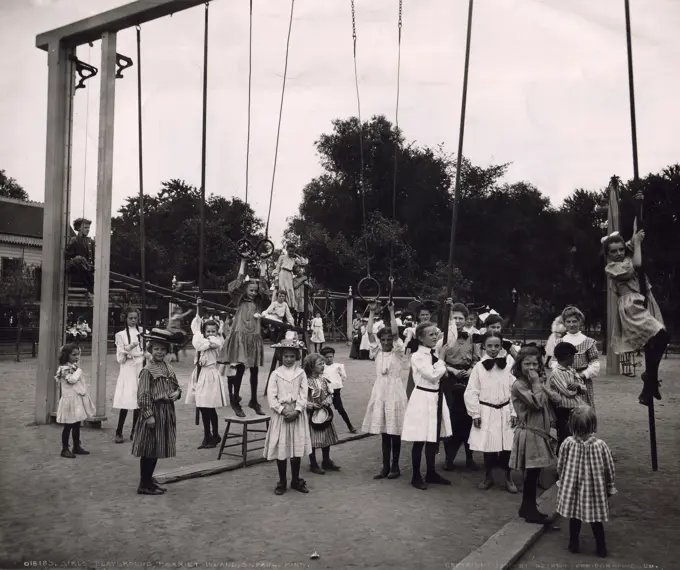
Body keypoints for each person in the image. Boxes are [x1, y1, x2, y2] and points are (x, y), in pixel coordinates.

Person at [603, 227, 668, 406]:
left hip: (643, 301)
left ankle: (649, 385)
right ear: (607, 254)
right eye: (613, 251)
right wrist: (637, 243)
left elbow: (632, 241)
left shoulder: (625, 256)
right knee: (662, 336)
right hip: (631, 306)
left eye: (621, 249)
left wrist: (635, 237)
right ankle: (650, 378)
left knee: (660, 339)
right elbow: (637, 265)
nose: (618, 253)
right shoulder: (613, 267)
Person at [557, 405, 616, 558]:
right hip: (594, 491)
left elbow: (561, 464)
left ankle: (573, 544)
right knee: (596, 520)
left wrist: (562, 481)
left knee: (574, 517)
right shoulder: (601, 445)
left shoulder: (567, 443)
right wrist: (609, 487)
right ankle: (601, 548)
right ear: (593, 424)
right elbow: (609, 468)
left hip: (574, 489)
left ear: (571, 425)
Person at [401, 321, 453, 490]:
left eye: (435, 334)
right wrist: (442, 359)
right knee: (420, 438)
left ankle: (431, 472)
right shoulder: (417, 356)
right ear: (421, 338)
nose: (434, 337)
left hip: (436, 397)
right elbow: (432, 375)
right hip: (422, 397)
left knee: (433, 436)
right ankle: (416, 476)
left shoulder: (435, 353)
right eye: (430, 334)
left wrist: (450, 315)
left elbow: (450, 334)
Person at [465, 331, 518, 493]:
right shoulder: (479, 368)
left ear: (501, 346)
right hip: (486, 410)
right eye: (490, 346)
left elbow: (514, 390)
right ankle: (488, 476)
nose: (493, 349)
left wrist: (514, 412)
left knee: (507, 446)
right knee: (488, 447)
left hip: (505, 410)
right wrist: (475, 413)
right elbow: (471, 391)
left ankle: (508, 477)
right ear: (484, 346)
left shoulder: (508, 366)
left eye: (496, 346)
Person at [509, 346, 557, 524]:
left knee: (535, 473)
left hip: (539, 432)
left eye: (534, 364)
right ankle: (529, 510)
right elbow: (536, 404)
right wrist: (537, 384)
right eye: (526, 364)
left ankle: (527, 507)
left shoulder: (534, 382)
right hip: (529, 433)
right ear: (519, 364)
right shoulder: (520, 385)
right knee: (531, 473)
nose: (531, 368)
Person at [132, 329, 182, 495]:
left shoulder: (167, 367)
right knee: (149, 448)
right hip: (154, 412)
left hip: (166, 412)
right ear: (150, 350)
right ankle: (143, 484)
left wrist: (177, 393)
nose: (159, 352)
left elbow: (176, 386)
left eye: (162, 349)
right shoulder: (147, 370)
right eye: (156, 349)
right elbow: (143, 395)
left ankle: (149, 480)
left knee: (157, 449)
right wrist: (148, 415)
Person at [361, 302, 407, 479]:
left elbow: (395, 334)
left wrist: (392, 312)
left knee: (394, 430)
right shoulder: (377, 352)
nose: (386, 342)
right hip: (380, 391)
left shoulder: (397, 352)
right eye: (384, 340)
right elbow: (369, 333)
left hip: (394, 392)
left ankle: (395, 466)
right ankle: (385, 467)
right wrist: (372, 312)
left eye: (389, 340)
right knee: (384, 432)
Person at [263, 335, 312, 495]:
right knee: (282, 448)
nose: (289, 359)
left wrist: (297, 410)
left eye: (292, 356)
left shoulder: (301, 373)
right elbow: (271, 396)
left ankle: (296, 479)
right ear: (280, 356)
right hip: (282, 415)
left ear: (297, 356)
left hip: (297, 414)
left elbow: (304, 394)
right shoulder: (276, 374)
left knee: (296, 448)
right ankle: (282, 481)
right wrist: (283, 410)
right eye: (286, 356)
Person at [224, 259, 269, 417]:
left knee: (255, 370)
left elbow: (264, 286)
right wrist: (242, 261)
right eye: (251, 290)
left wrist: (263, 265)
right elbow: (238, 283)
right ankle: (235, 399)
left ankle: (254, 400)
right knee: (240, 369)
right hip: (241, 337)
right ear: (245, 290)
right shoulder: (239, 300)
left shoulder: (258, 303)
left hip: (253, 337)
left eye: (255, 291)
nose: (254, 293)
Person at [441, 302, 481, 472]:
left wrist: (471, 370)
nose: (457, 321)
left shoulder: (474, 336)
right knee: (450, 417)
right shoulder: (444, 336)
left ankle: (469, 457)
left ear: (466, 320)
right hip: (449, 377)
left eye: (460, 318)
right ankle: (449, 458)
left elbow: (477, 358)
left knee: (467, 417)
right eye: (454, 318)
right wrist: (452, 370)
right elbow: (438, 359)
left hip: (468, 379)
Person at [186, 306, 226, 449]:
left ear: (217, 332)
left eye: (213, 331)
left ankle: (214, 435)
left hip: (210, 375)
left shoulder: (216, 342)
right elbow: (195, 330)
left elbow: (198, 343)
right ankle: (208, 435)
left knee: (209, 407)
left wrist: (198, 332)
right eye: (207, 331)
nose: (210, 334)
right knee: (203, 407)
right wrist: (197, 319)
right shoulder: (203, 340)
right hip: (200, 374)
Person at [551, 306, 600, 410]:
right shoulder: (559, 342)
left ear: (580, 322)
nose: (571, 324)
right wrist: (562, 374)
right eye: (568, 321)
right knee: (565, 409)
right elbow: (554, 362)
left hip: (582, 381)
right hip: (563, 381)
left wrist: (582, 375)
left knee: (583, 412)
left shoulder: (588, 342)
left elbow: (595, 364)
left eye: (574, 321)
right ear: (564, 323)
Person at [543, 342, 586, 451]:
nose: (574, 359)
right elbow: (568, 392)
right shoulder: (556, 372)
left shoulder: (571, 370)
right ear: (567, 356)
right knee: (564, 436)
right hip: (563, 410)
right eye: (573, 356)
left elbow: (584, 388)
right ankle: (563, 460)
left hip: (575, 409)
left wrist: (577, 386)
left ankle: (572, 458)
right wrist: (578, 388)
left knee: (576, 435)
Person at [55, 343, 95, 458]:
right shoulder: (64, 369)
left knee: (77, 423)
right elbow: (72, 380)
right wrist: (79, 371)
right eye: (74, 355)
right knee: (68, 425)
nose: (77, 357)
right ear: (66, 355)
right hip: (69, 400)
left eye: (78, 354)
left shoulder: (73, 367)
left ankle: (76, 445)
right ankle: (64, 448)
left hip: (76, 399)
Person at [113, 308, 146, 444]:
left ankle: (135, 431)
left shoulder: (143, 332)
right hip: (127, 369)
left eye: (135, 318)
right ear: (125, 319)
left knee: (138, 400)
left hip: (139, 367)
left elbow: (145, 350)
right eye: (130, 318)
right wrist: (128, 349)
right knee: (126, 400)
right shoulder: (120, 335)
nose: (133, 320)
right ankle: (119, 431)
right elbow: (120, 358)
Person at [304, 353, 340, 474]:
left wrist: (327, 401)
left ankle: (326, 460)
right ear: (311, 366)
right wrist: (310, 405)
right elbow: (301, 398)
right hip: (312, 414)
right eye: (320, 364)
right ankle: (313, 463)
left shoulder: (324, 380)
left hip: (324, 413)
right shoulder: (306, 382)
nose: (323, 366)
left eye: (323, 363)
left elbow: (330, 394)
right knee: (312, 439)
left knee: (326, 437)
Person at [404, 300, 442, 398]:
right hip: (418, 360)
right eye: (422, 315)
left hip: (432, 359)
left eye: (427, 314)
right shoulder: (412, 330)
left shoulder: (436, 331)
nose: (425, 317)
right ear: (419, 316)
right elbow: (408, 346)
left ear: (430, 316)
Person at [320, 346, 356, 433]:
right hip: (325, 393)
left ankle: (350, 426)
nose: (329, 359)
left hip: (336, 392)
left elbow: (343, 376)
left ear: (333, 356)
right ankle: (322, 428)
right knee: (324, 410)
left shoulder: (338, 366)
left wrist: (337, 383)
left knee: (341, 409)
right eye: (327, 357)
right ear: (323, 358)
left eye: (331, 357)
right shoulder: (321, 367)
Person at [65, 217, 95, 298]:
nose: (88, 230)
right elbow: (68, 255)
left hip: (89, 269)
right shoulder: (74, 240)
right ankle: (91, 289)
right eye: (85, 228)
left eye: (88, 228)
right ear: (79, 228)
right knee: (78, 259)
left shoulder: (90, 241)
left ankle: (92, 288)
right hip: (78, 270)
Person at [272, 249, 308, 314]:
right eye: (290, 251)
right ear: (287, 250)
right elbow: (277, 267)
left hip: (289, 275)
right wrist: (276, 278)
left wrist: (297, 255)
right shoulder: (282, 257)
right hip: (282, 273)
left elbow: (304, 263)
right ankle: (279, 305)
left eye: (292, 251)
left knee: (290, 290)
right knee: (282, 289)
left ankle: (288, 307)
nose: (291, 252)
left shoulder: (294, 259)